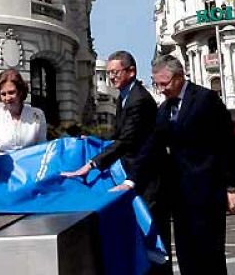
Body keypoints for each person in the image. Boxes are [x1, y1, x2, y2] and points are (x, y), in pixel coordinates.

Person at [113, 55, 235, 275]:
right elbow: (151, 147)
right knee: (186, 255)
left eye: (165, 83)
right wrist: (131, 180)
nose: (161, 89)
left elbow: (225, 143)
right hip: (179, 195)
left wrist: (230, 186)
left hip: (207, 192)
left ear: (179, 77)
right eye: (157, 84)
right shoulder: (164, 110)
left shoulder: (205, 99)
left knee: (210, 256)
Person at [61, 51, 166, 271]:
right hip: (134, 176)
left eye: (115, 72)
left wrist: (91, 164)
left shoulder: (139, 100)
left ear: (131, 71)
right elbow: (119, 136)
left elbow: (127, 141)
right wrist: (93, 141)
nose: (111, 77)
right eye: (108, 73)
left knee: (153, 238)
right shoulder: (124, 96)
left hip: (146, 180)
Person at [0, 69, 46, 159]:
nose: (7, 98)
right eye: (3, 94)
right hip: (3, 170)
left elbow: (42, 147)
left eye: (11, 92)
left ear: (20, 92)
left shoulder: (37, 115)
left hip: (30, 169)